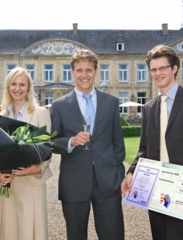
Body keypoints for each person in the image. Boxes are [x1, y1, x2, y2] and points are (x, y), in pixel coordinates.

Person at [121, 45, 183, 240]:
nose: (158, 73)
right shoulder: (149, 107)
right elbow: (144, 149)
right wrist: (131, 171)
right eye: (153, 69)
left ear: (174, 68)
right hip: (155, 188)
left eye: (163, 68)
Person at [50, 49, 125, 240]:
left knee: (113, 235)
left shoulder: (111, 102)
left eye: (89, 70)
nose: (84, 75)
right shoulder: (59, 105)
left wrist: (118, 176)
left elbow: (118, 144)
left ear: (96, 71)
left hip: (107, 182)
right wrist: (71, 141)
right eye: (80, 70)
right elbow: (51, 143)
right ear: (72, 72)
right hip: (74, 182)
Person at [0, 67, 52, 240]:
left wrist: (36, 169)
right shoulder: (0, 116)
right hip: (8, 184)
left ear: (28, 88)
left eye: (22, 84)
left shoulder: (40, 113)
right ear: (8, 87)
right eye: (14, 84)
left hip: (31, 183)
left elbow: (46, 149)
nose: (17, 88)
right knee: (9, 231)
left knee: (30, 232)